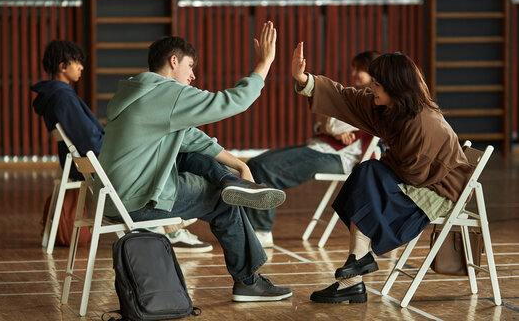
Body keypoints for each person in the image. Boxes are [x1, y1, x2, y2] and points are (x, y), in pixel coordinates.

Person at [96, 21, 292, 302]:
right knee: (224, 202)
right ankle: (248, 281)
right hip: (137, 200)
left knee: (191, 154)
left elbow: (189, 139)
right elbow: (231, 101)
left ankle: (230, 181)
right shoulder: (166, 93)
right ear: (173, 61)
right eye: (190, 67)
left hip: (113, 198)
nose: (192, 76)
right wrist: (264, 63)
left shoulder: (135, 91)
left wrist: (240, 166)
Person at [291, 43, 474, 304]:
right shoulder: (393, 109)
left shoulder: (423, 123)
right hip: (416, 179)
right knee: (368, 172)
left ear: (395, 87)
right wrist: (304, 80)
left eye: (376, 84)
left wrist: (386, 165)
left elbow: (415, 174)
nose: (370, 88)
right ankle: (356, 269)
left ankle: (353, 276)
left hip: (436, 191)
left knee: (369, 176)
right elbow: (348, 98)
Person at [31, 40, 249, 253]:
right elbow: (89, 139)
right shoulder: (62, 97)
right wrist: (125, 147)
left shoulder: (54, 96)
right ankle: (175, 228)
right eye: (76, 62)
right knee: (188, 172)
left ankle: (227, 179)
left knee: (179, 150)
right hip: (117, 174)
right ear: (62, 66)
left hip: (104, 176)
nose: (81, 67)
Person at [245, 51, 381, 247]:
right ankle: (251, 227)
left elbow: (331, 124)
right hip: (321, 147)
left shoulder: (372, 100)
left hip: (339, 157)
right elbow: (324, 124)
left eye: (360, 69)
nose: (354, 72)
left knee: (266, 168)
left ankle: (262, 230)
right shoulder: (354, 95)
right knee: (255, 164)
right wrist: (329, 126)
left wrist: (329, 126)